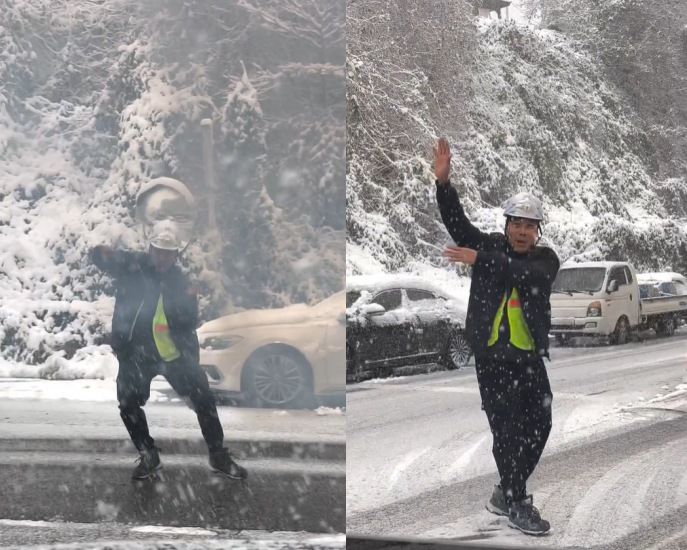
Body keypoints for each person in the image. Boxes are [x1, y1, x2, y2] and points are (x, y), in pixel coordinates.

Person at [433, 137, 559, 535]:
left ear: (537, 231)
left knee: (540, 423)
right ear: (505, 226)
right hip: (492, 358)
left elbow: (524, 275)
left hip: (527, 358)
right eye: (516, 224)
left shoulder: (545, 260)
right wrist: (443, 184)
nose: (522, 231)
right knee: (505, 429)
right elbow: (458, 225)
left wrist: (480, 260)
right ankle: (517, 500)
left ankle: (506, 489)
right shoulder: (489, 245)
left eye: (529, 225)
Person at [90, 224, 247, 481]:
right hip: (137, 353)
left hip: (174, 355)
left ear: (176, 256)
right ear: (150, 249)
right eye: (158, 251)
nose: (162, 258)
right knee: (128, 404)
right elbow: (104, 259)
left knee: (204, 401)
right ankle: (149, 456)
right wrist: (101, 253)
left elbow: (188, 321)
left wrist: (183, 300)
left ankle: (218, 456)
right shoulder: (133, 266)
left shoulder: (182, 282)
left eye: (168, 253)